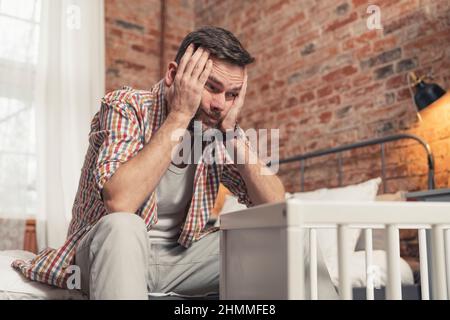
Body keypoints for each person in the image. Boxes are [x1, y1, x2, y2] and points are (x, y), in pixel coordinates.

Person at [13, 26, 336, 300]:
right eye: (211, 87)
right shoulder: (127, 106)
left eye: (232, 94)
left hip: (177, 261)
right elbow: (120, 201)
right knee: (124, 225)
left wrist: (232, 134)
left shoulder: (215, 129)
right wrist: (180, 114)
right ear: (173, 75)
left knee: (295, 238)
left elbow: (275, 207)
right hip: (105, 253)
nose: (219, 104)